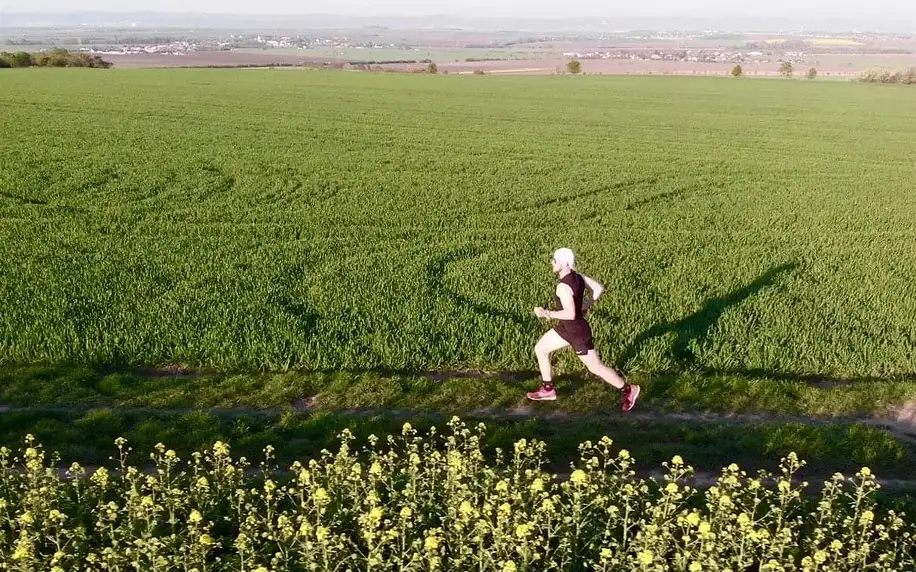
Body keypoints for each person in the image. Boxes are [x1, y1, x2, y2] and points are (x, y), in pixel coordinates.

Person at [527, 247, 640, 412]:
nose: (552, 263)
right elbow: (598, 288)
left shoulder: (563, 287)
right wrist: (585, 305)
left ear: (564, 263)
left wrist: (546, 313)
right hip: (566, 329)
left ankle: (629, 389)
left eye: (555, 260)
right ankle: (548, 389)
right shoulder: (578, 277)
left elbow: (571, 313)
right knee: (541, 348)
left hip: (577, 333)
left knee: (595, 367)